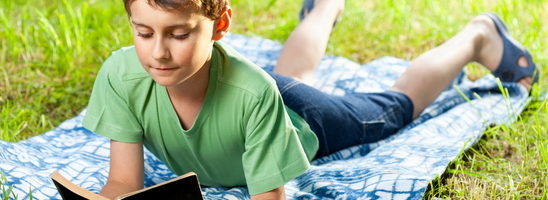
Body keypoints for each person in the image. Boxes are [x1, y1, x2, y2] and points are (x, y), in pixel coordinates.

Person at [82, 0, 538, 199]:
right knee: (291, 74)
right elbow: (123, 183)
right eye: (143, 32)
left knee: (392, 109)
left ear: (221, 26)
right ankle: (325, 6)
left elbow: (268, 197)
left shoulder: (251, 94)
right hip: (258, 92)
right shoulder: (123, 75)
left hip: (299, 115)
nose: (158, 52)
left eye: (179, 34)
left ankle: (478, 36)